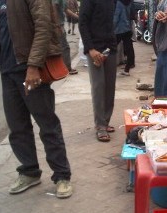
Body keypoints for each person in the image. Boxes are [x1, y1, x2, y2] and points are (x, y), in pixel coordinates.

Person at [0, 0, 73, 198]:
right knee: (17, 127)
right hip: (8, 72)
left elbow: (44, 27)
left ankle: (62, 176)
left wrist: (33, 66)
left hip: (30, 71)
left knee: (47, 125)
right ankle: (30, 171)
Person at [79, 0, 117, 142]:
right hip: (95, 48)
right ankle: (100, 125)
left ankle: (105, 121)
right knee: (98, 86)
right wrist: (91, 49)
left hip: (110, 47)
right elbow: (82, 23)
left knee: (109, 87)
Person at [53, 0, 78, 75]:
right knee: (64, 47)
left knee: (58, 48)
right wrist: (57, 24)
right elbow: (55, 6)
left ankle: (58, 68)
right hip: (57, 26)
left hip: (57, 25)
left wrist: (78, 17)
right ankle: (67, 68)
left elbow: (65, 9)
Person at [114, 0, 135, 76]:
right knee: (129, 48)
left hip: (118, 30)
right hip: (127, 28)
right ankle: (127, 69)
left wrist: (111, 28)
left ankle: (109, 68)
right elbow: (131, 15)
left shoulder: (119, 2)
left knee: (110, 48)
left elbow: (116, 16)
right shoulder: (129, 2)